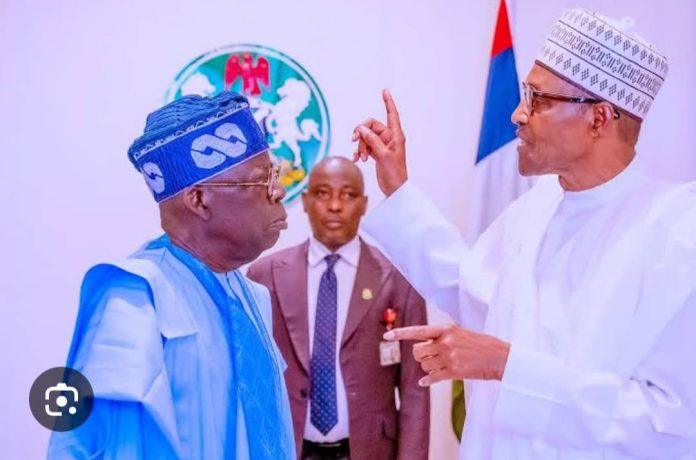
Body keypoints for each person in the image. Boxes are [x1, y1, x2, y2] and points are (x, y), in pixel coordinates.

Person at [352, 8, 696, 459]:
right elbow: (472, 291)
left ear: (598, 119)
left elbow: (671, 425)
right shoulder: (537, 207)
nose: (517, 114)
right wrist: (398, 188)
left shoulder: (676, 233)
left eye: (538, 99)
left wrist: (507, 368)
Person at [48, 91, 295, 459]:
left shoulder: (252, 297)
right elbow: (111, 446)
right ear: (199, 200)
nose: (279, 190)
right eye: (261, 181)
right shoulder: (135, 298)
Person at [247, 157, 430, 459]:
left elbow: (415, 390)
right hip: (288, 448)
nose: (334, 206)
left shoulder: (398, 280)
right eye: (322, 193)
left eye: (348, 195)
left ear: (364, 204)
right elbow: (251, 379)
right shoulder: (265, 276)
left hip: (370, 450)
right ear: (305, 201)